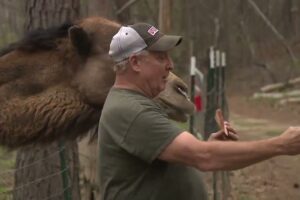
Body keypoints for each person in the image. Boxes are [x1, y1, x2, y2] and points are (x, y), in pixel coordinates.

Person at [98, 22, 300, 200]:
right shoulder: (131, 111)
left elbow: (195, 156)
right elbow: (204, 157)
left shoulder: (135, 104)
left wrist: (209, 149)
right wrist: (281, 145)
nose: (171, 65)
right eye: (161, 57)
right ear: (135, 62)